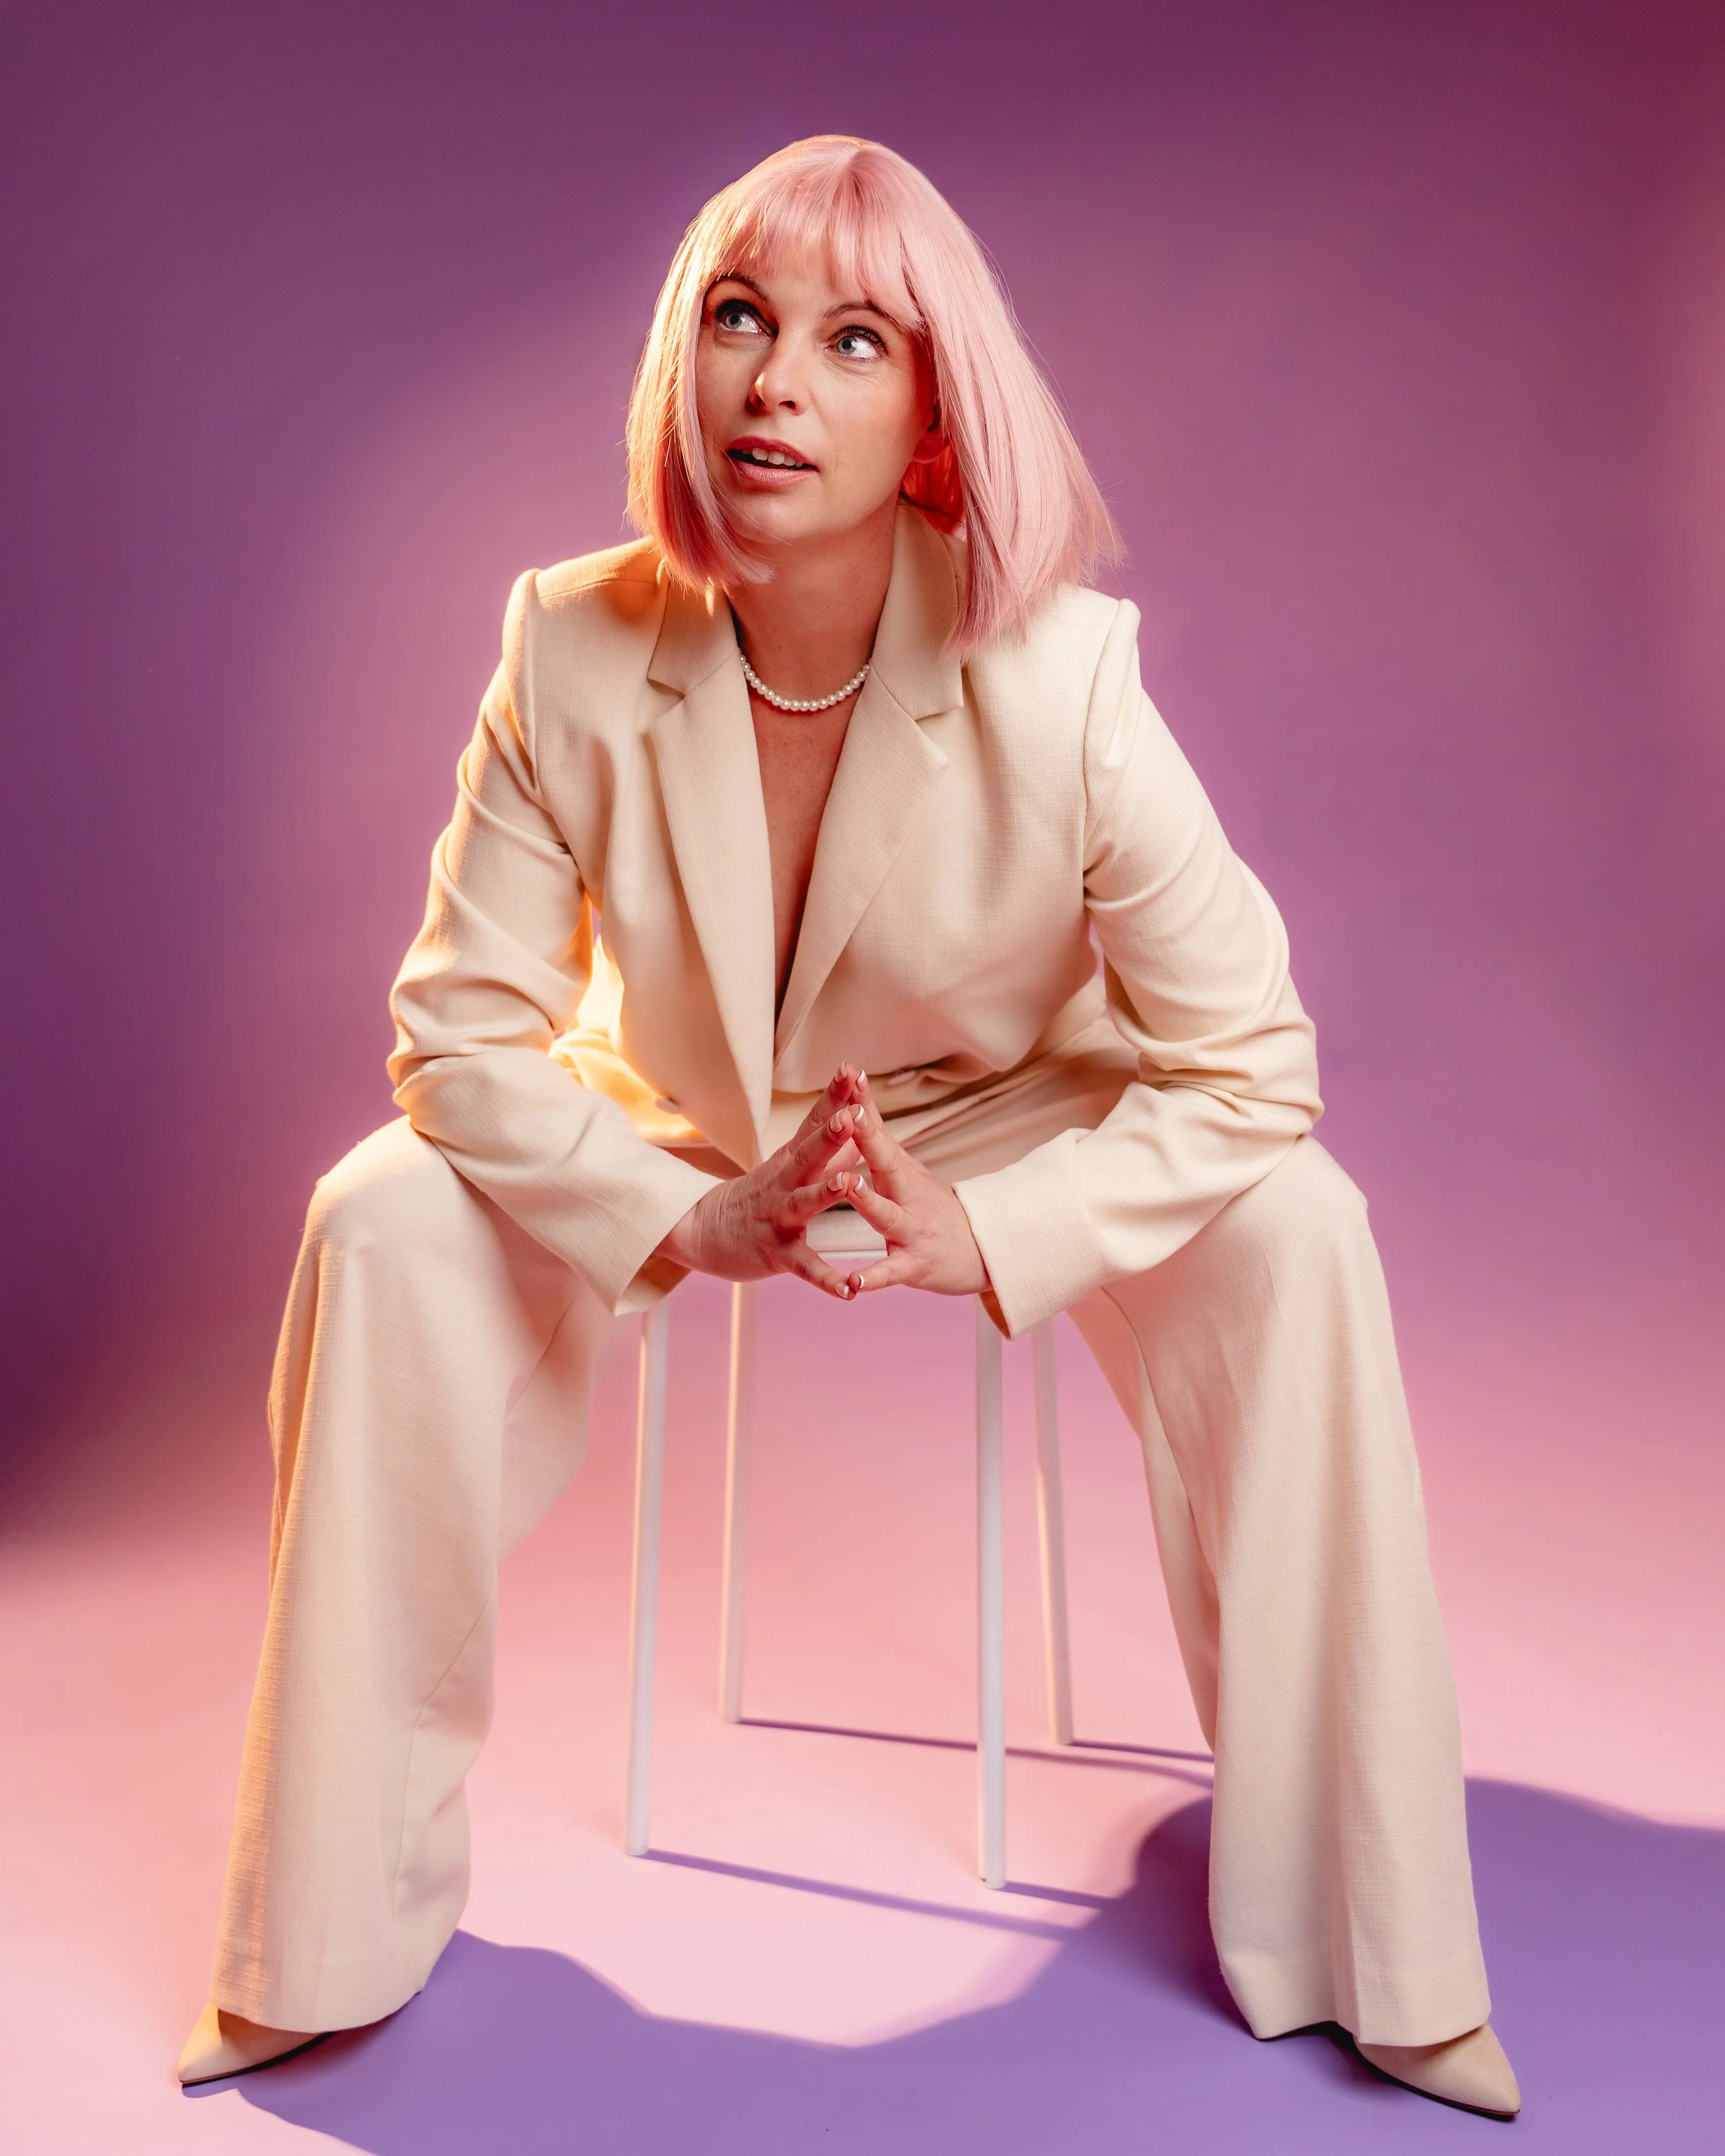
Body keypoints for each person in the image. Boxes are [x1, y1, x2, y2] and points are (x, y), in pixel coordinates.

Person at [177, 135, 1519, 2119]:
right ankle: (318, 1931)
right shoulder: (564, 640)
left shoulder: (1063, 676)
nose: (773, 381)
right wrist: (700, 1217)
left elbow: (1250, 1058)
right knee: (373, 1219)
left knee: (1301, 1227)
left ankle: (1372, 1941)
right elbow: (459, 1039)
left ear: (934, 424)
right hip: (690, 1122)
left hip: (1005, 1115)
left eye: (850, 336)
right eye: (738, 317)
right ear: (681, 360)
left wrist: (980, 1234)